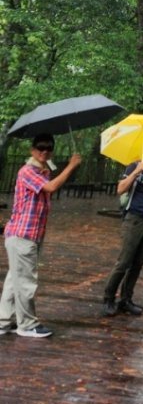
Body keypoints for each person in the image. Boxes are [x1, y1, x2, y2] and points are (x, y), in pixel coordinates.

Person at [0, 133, 82, 338]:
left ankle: (3, 320)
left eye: (49, 148)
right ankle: (27, 325)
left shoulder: (41, 171)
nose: (44, 151)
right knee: (26, 280)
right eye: (40, 147)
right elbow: (51, 187)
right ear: (32, 150)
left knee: (15, 279)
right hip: (22, 234)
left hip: (31, 234)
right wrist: (71, 166)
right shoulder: (28, 171)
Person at [102, 136, 143, 317]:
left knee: (138, 263)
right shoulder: (133, 166)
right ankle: (108, 298)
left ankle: (126, 299)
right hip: (134, 218)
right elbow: (120, 189)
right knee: (124, 262)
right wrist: (136, 172)